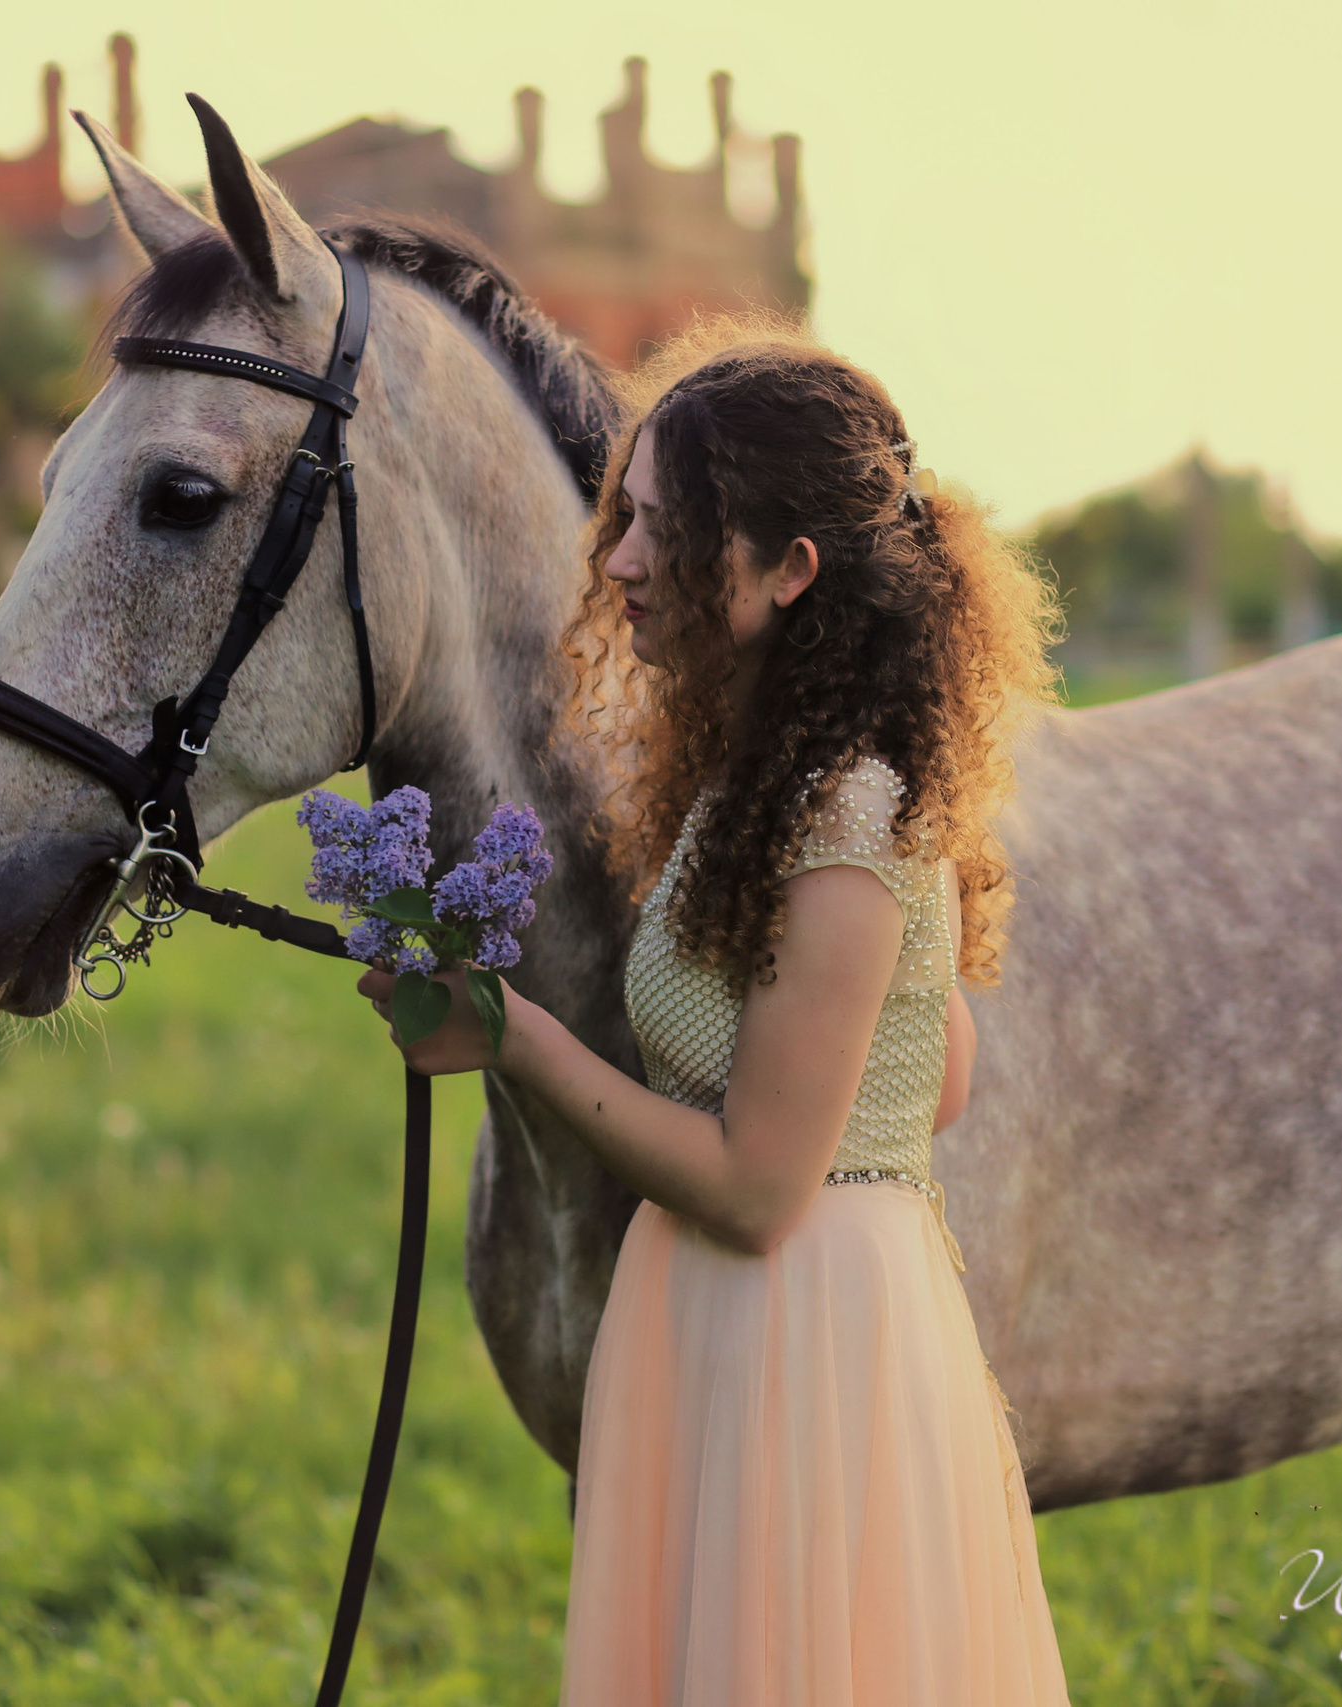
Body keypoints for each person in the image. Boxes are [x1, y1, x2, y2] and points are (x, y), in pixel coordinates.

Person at [358, 327, 1072, 1705]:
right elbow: (937, 1077)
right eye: (624, 518)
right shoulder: (762, 788)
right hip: (737, 1319)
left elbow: (757, 1189)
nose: (618, 559)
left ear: (790, 572)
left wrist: (515, 1038)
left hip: (796, 1334)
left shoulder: (846, 814)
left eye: (666, 533)